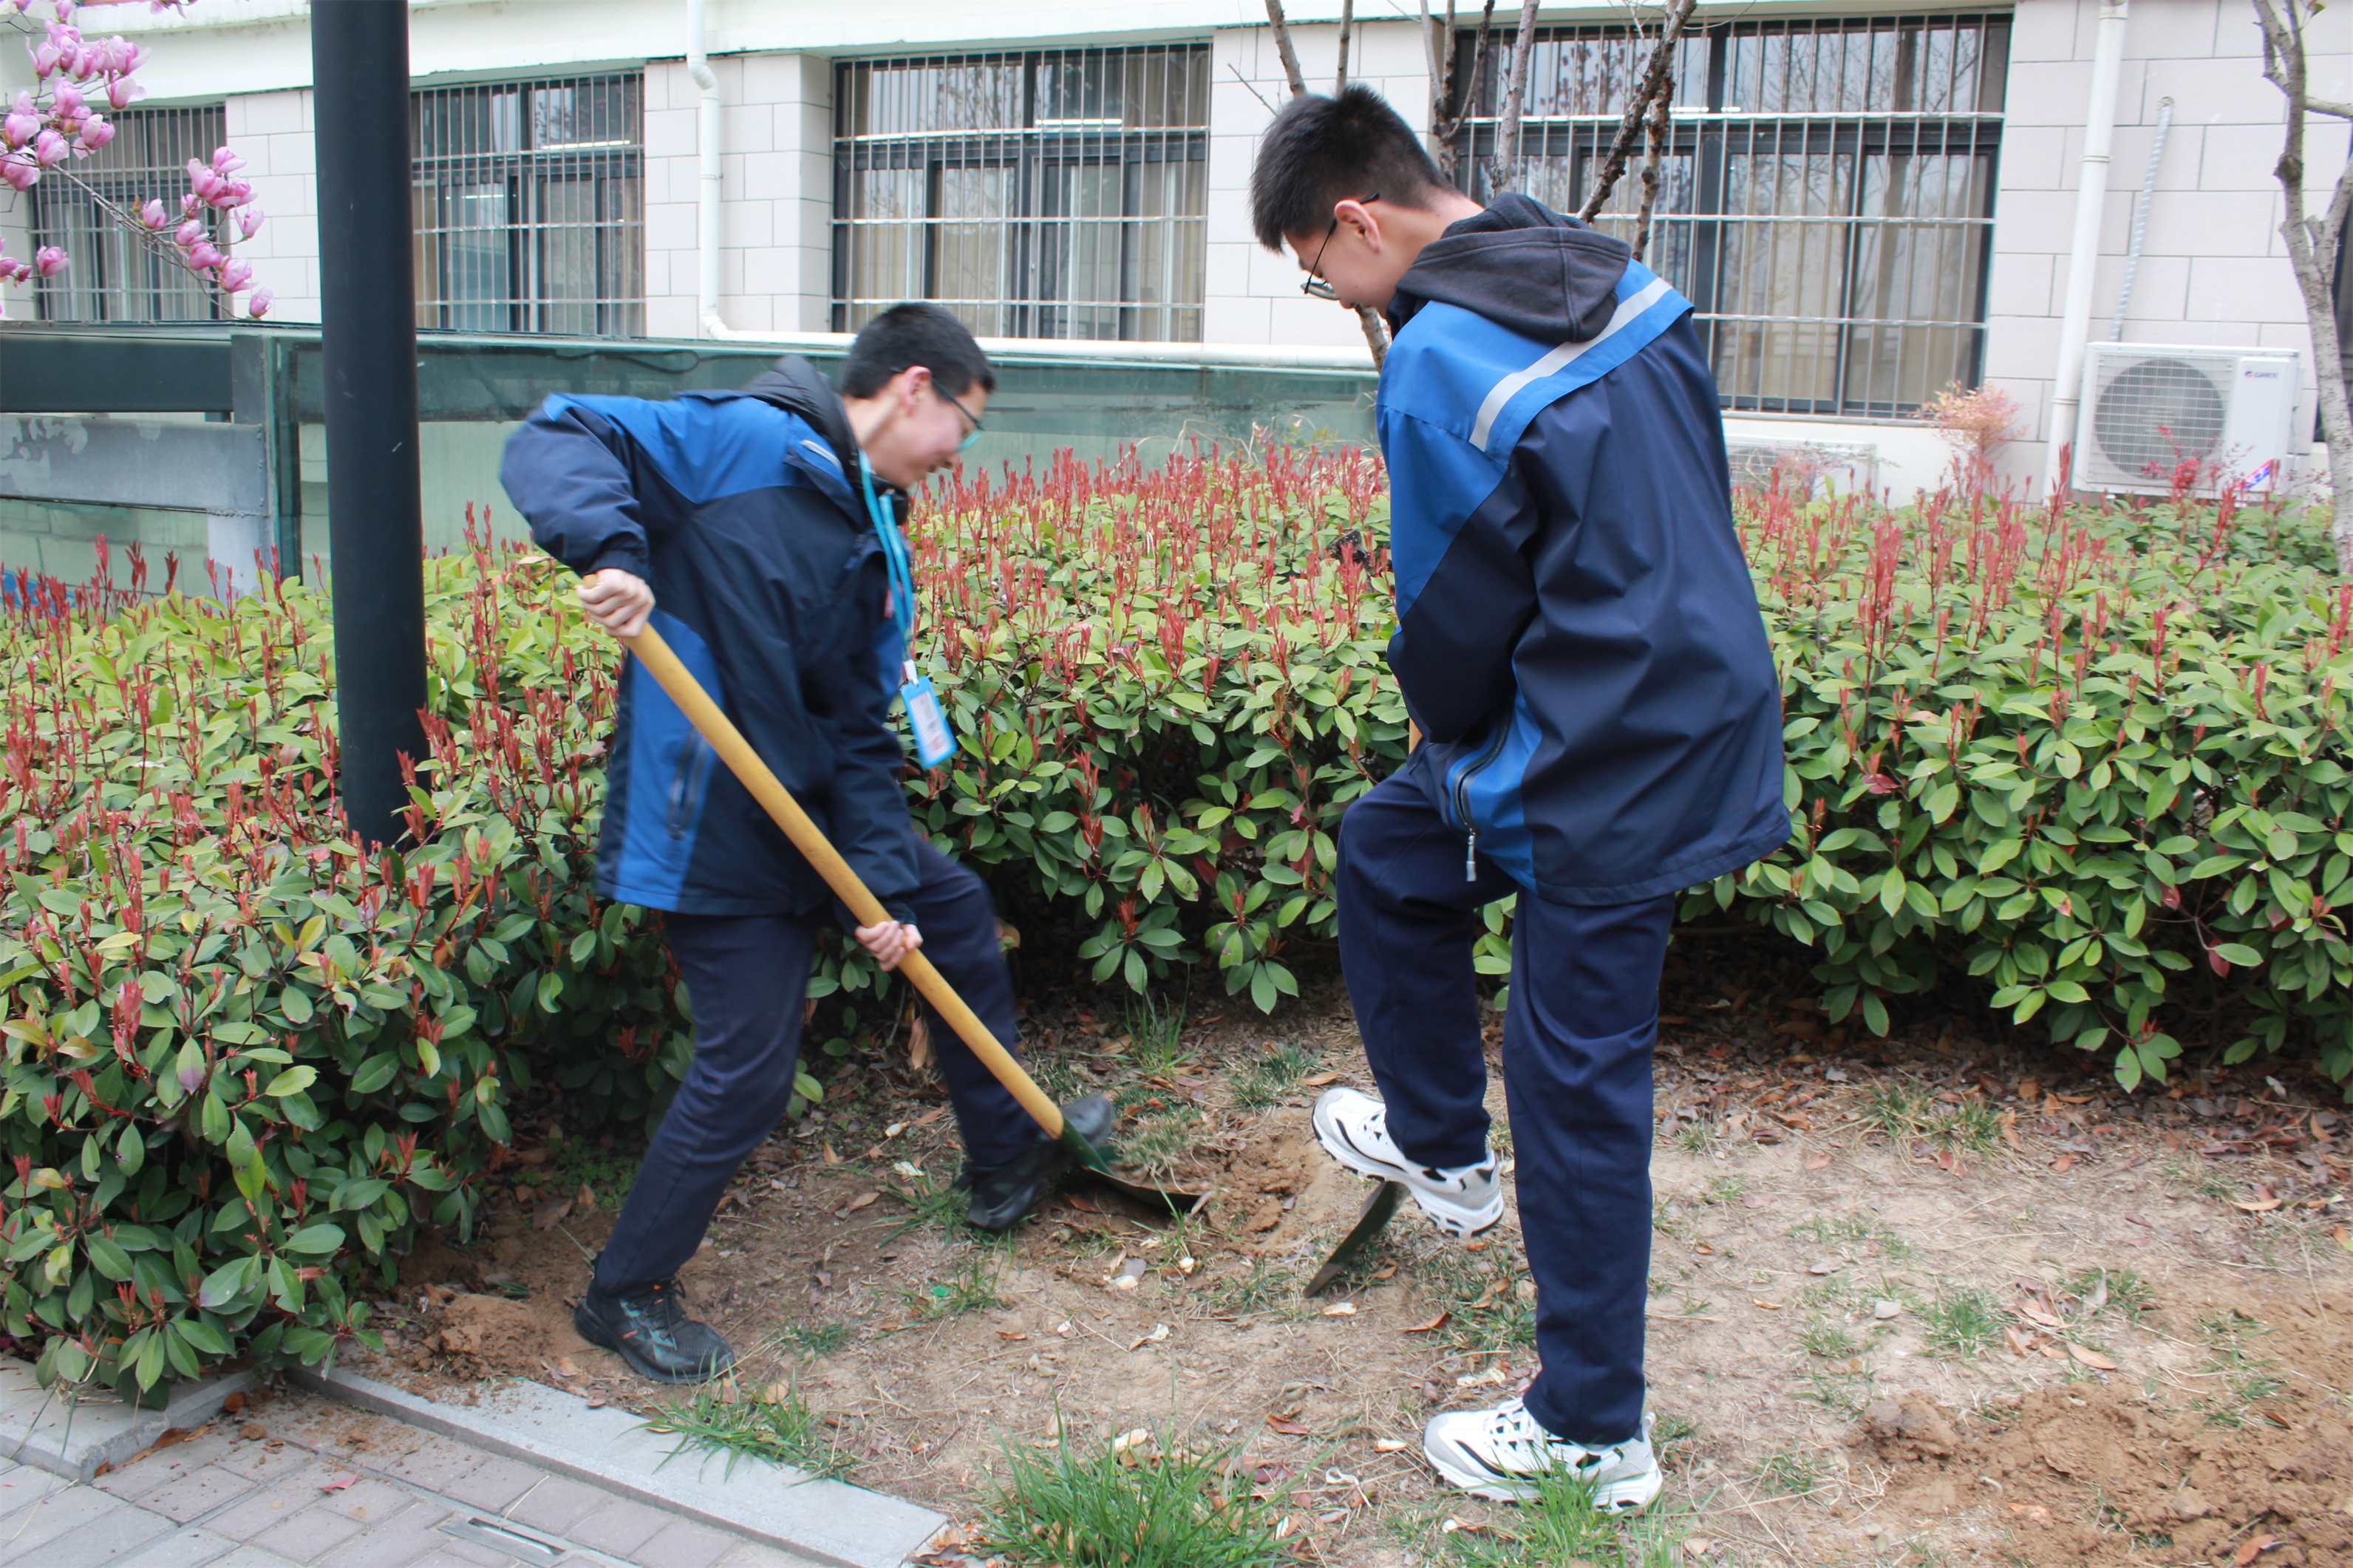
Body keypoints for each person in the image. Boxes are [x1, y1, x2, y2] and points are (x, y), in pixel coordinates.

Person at [1250, 89, 1788, 1509]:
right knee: (1393, 844)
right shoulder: (1618, 276)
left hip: (1610, 759)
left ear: (1359, 221)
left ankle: (1593, 1428)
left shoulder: (1441, 356)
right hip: (1693, 688)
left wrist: (1448, 718)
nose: (1335, 294)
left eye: (1319, 270)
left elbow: (1449, 611)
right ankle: (1441, 1150)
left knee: (1576, 1083)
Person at [499, 303, 1111, 1384]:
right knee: (749, 1070)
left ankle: (1009, 1155)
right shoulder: (735, 442)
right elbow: (556, 432)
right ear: (914, 387)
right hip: (713, 826)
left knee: (951, 912)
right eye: (964, 423)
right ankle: (624, 1291)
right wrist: (611, 547)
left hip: (810, 814)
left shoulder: (870, 525)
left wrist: (882, 892)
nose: (961, 451)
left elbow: (855, 729)